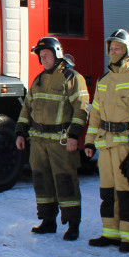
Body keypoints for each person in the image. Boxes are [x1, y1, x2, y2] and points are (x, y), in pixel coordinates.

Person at [84, 30, 129, 252]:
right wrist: (89, 141)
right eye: (111, 48)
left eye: (118, 48)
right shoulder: (103, 80)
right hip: (105, 145)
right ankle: (110, 233)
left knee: (128, 192)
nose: (113, 52)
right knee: (107, 191)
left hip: (128, 146)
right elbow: (95, 113)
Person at [15, 36, 90, 241]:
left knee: (65, 181)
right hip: (38, 141)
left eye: (47, 55)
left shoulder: (72, 78)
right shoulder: (38, 80)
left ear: (57, 54)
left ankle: (73, 224)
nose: (43, 59)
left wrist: (74, 136)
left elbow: (81, 109)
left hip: (61, 142)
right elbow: (27, 108)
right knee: (42, 181)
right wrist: (21, 131)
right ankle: (48, 221)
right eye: (41, 56)